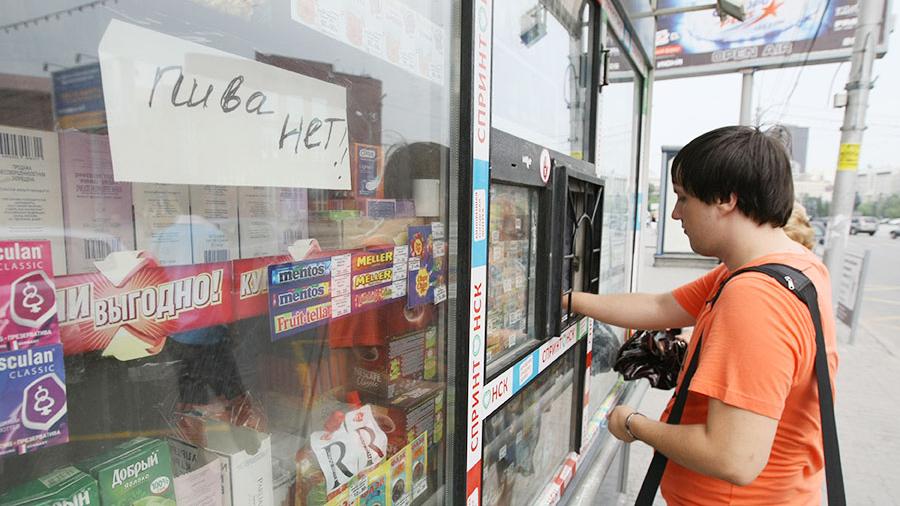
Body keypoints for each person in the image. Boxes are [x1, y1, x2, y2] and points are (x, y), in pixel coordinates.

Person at [566, 126, 839, 504]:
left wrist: (633, 423)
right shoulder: (785, 266)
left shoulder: (756, 296)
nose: (675, 213)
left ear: (726, 199)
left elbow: (734, 458)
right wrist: (568, 300)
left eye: (683, 197)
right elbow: (661, 307)